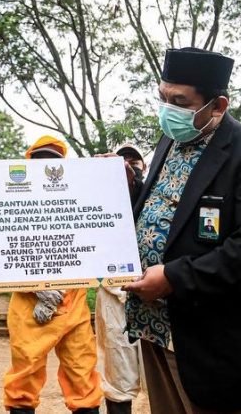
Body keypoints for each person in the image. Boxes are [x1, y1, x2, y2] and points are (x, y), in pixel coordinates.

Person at [122, 47, 241, 414]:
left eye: (179, 101)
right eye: (162, 97)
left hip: (216, 339)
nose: (167, 109)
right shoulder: (170, 140)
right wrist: (129, 186)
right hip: (156, 326)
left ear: (218, 106)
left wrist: (174, 277)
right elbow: (166, 209)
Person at [2, 135, 102, 414]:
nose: (46, 167)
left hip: (73, 299)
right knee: (24, 374)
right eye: (40, 161)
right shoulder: (9, 202)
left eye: (53, 162)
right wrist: (35, 286)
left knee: (82, 374)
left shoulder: (78, 200)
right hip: (29, 302)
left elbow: (97, 239)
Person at [93, 143, 147, 414]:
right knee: (117, 373)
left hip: (154, 293)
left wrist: (133, 182)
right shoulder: (97, 201)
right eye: (122, 160)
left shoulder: (153, 195)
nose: (128, 165)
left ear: (144, 168)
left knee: (163, 371)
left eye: (134, 162)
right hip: (113, 294)